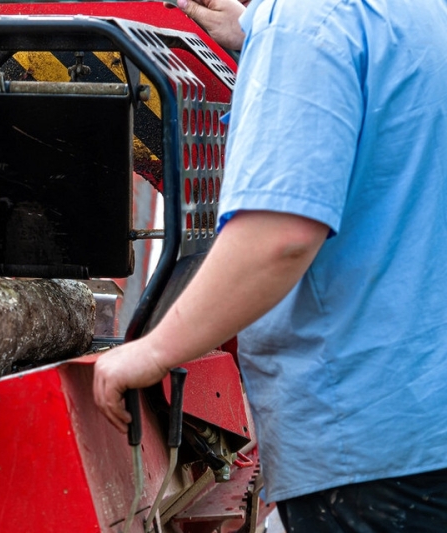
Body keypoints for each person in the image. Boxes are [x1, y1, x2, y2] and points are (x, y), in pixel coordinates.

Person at [93, 0, 447, 530]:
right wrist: (254, 31)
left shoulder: (308, 23)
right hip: (424, 423)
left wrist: (153, 351)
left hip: (368, 449)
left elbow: (279, 237)